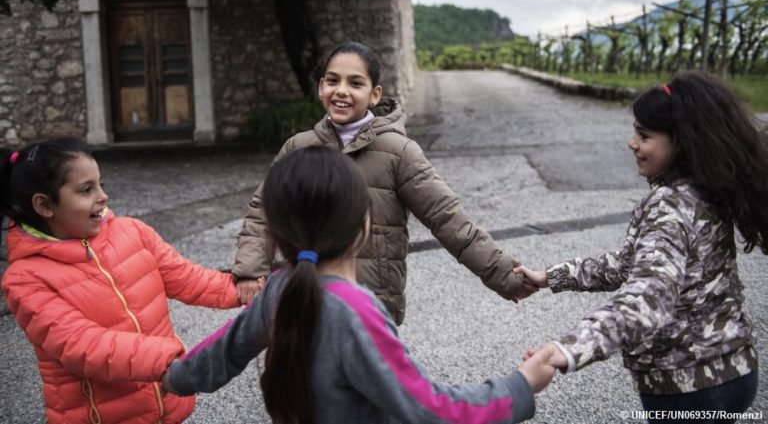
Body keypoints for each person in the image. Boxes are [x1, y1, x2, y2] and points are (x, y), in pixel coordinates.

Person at [163, 146, 555, 423]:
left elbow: (218, 356)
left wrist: (171, 375)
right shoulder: (356, 312)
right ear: (363, 224)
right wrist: (519, 386)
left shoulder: (278, 290)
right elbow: (429, 408)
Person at [515, 71, 766, 422]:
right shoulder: (705, 188)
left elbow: (649, 296)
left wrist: (566, 350)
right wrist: (550, 276)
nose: (632, 143)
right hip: (735, 373)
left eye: (644, 135)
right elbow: (630, 265)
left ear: (680, 142)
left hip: (689, 388)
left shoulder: (669, 205)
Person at [232, 41, 535, 323]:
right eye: (333, 80)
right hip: (306, 297)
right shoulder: (297, 148)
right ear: (321, 87)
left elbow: (449, 219)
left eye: (355, 83)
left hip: (371, 305)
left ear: (374, 94)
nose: (342, 91)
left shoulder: (398, 152)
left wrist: (506, 276)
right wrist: (250, 270)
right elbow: (263, 212)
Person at [1, 138, 240, 424]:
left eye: (101, 184)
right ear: (44, 204)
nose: (103, 197)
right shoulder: (25, 279)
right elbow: (82, 345)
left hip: (167, 404)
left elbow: (189, 279)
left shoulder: (133, 232)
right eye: (86, 190)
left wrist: (245, 290)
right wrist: (167, 362)